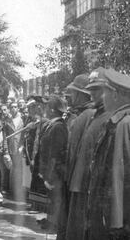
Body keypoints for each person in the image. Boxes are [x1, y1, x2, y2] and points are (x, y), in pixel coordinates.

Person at [62, 68, 111, 240]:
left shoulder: (110, 118)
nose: (93, 95)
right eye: (91, 90)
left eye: (97, 90)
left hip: (94, 189)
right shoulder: (92, 115)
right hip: (80, 184)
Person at [86, 69, 130, 240]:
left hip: (116, 221)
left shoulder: (122, 124)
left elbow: (117, 173)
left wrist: (115, 220)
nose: (102, 98)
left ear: (116, 95)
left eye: (104, 93)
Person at [38, 95, 68, 231]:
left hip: (55, 172)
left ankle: (54, 224)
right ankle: (51, 221)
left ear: (52, 110)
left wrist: (49, 176)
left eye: (47, 106)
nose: (44, 109)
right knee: (52, 198)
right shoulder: (52, 125)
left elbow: (54, 155)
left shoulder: (58, 127)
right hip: (50, 171)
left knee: (56, 199)